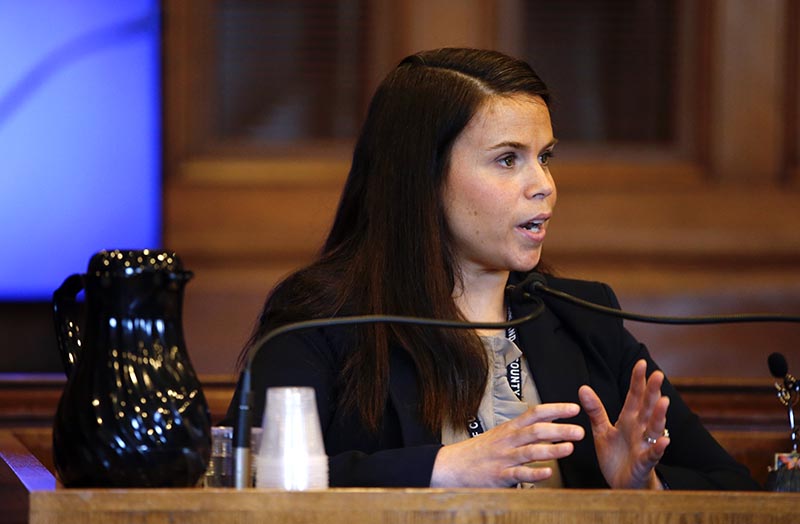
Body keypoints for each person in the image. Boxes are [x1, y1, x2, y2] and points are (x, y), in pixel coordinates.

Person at [224, 48, 759, 490]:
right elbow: (249, 478)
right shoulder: (322, 318)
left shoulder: (582, 317)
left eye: (544, 156)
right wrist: (442, 469)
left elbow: (735, 487)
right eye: (508, 159)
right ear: (422, 177)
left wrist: (640, 489)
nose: (543, 186)